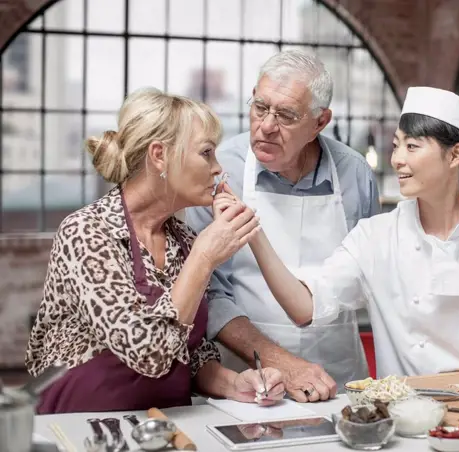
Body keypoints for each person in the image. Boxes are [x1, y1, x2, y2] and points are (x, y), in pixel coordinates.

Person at [224, 86, 459, 384]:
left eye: (413, 147)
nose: (398, 160)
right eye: (396, 145)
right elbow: (305, 307)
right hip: (409, 413)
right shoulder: (376, 236)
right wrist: (254, 232)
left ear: (456, 154)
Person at [25, 87, 284, 414]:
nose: (219, 169)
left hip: (162, 428)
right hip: (80, 427)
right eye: (206, 153)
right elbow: (148, 352)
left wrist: (234, 383)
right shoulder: (87, 232)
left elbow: (188, 353)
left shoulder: (185, 240)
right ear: (159, 155)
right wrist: (204, 258)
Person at [185, 50, 380, 401]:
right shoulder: (220, 172)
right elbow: (208, 293)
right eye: (260, 108)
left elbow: (369, 281)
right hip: (250, 381)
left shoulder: (356, 176)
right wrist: (280, 362)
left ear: (320, 122)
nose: (266, 126)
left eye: (286, 115)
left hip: (339, 380)